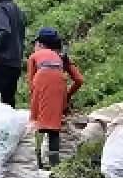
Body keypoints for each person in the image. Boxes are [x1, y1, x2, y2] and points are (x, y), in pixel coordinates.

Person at [27, 27, 84, 166]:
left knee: (35, 123)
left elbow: (31, 83)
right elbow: (79, 80)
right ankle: (54, 164)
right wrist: (66, 97)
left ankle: (34, 160)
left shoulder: (34, 56)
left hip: (41, 80)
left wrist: (35, 103)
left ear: (40, 44)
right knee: (53, 127)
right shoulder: (62, 57)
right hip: (60, 83)